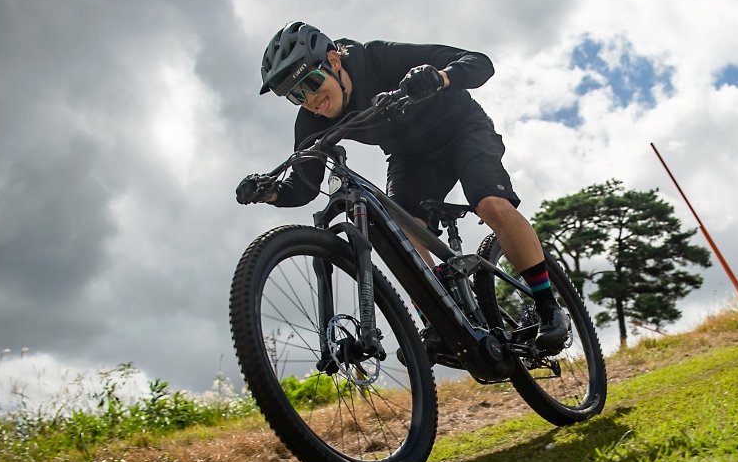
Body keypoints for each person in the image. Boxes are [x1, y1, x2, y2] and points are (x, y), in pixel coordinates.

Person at [236, 21, 569, 360]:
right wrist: (269, 191)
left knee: (492, 206)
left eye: (310, 82)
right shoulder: (311, 120)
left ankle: (547, 305)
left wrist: (440, 78)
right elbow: (304, 188)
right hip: (412, 159)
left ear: (334, 61)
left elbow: (479, 62)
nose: (310, 100)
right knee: (401, 233)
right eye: (296, 95)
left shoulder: (378, 57)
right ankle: (440, 319)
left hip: (462, 130)